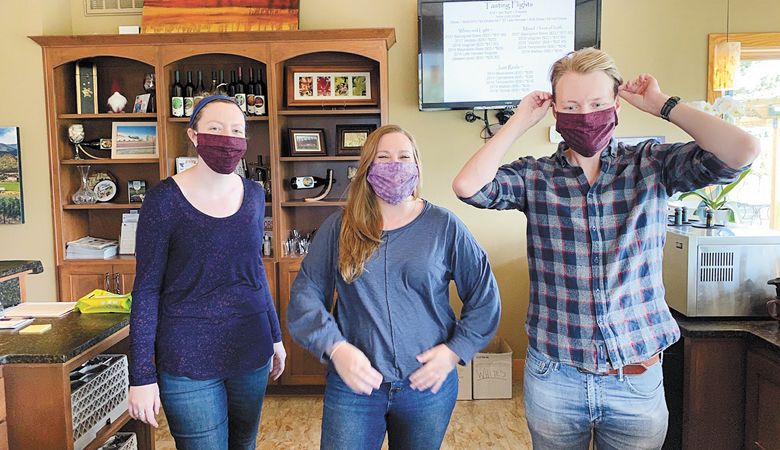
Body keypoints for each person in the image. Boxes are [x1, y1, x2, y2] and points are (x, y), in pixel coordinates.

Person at [452, 48, 760, 450]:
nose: (587, 114)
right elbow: (468, 187)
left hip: (635, 379)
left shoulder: (651, 164)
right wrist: (519, 121)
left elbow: (742, 151)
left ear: (616, 106)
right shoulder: (535, 176)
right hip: (554, 378)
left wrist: (662, 105)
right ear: (558, 114)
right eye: (572, 106)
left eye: (597, 104)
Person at [287, 124, 501, 450]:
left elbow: (485, 295)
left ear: (416, 166)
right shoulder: (340, 227)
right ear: (368, 168)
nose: (395, 164)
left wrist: (454, 351)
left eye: (404, 156)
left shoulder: (444, 226)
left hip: (426, 385)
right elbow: (306, 292)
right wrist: (335, 347)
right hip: (354, 386)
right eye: (383, 157)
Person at [128, 95, 287, 450]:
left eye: (237, 130)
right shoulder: (163, 201)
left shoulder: (254, 195)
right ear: (194, 135)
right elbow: (146, 289)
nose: (227, 138)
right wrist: (141, 375)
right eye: (215, 129)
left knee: (243, 444)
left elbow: (254, 271)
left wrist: (275, 336)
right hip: (187, 357)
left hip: (250, 348)